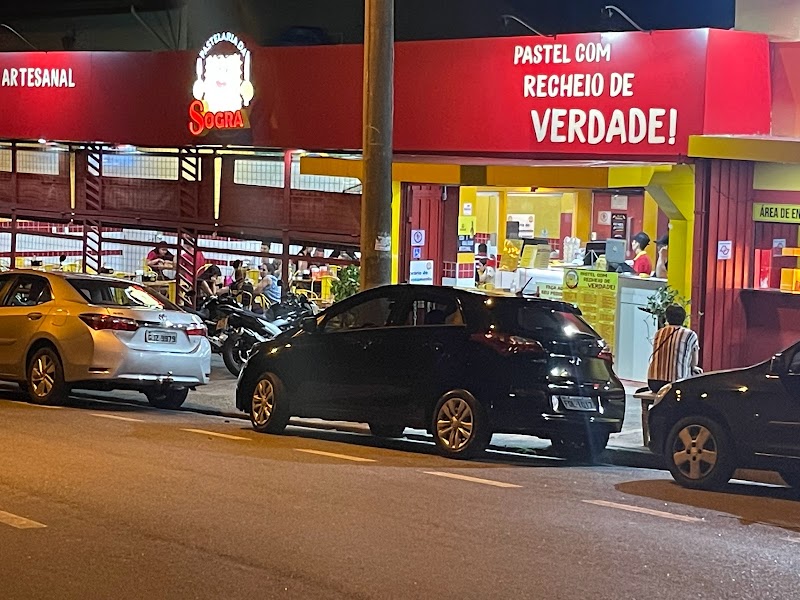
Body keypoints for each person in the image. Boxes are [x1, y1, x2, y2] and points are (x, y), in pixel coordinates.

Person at [647, 304, 702, 393]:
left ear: (667, 318)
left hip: (654, 383)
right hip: (677, 383)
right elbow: (694, 363)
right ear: (683, 318)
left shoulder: (659, 333)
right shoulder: (690, 335)